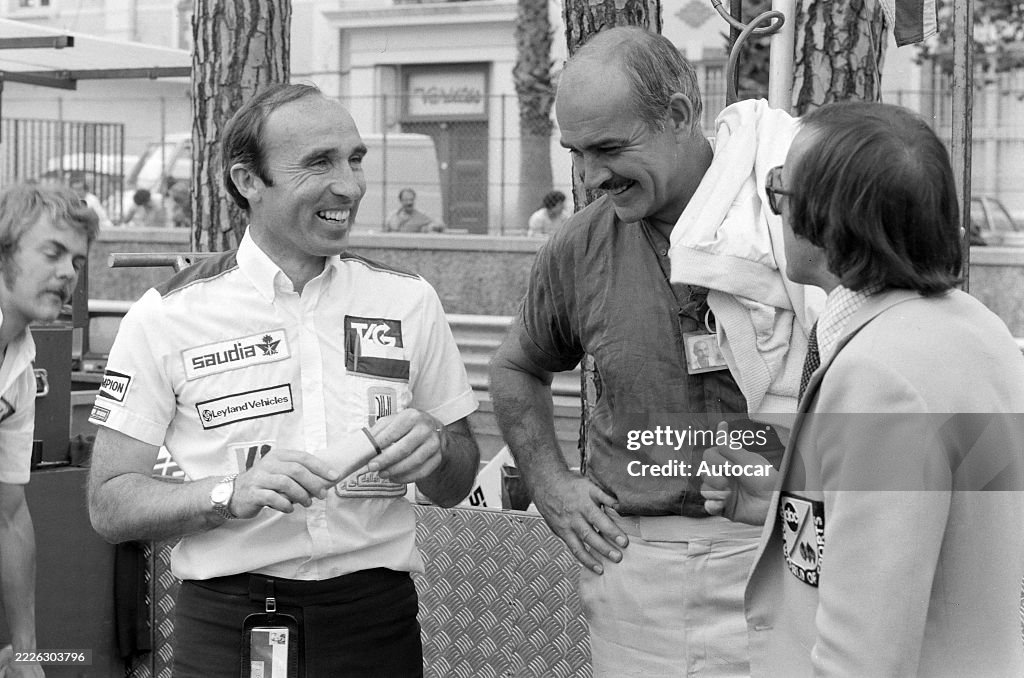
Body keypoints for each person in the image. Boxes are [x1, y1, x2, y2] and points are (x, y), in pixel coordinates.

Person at [87, 83, 480, 677]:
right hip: (226, 628)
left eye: (354, 159)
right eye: (319, 162)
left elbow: (457, 481)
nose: (349, 186)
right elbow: (109, 502)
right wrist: (227, 493)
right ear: (248, 181)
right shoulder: (167, 315)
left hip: (376, 624)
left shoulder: (408, 301)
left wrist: (440, 446)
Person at [488, 26, 806, 677]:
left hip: (790, 557)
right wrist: (551, 485)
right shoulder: (578, 246)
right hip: (639, 577)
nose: (591, 175)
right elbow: (515, 369)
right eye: (575, 152)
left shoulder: (790, 222)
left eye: (608, 148)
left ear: (682, 116)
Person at [702, 102, 1024, 677]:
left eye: (779, 187)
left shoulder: (881, 376)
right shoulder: (977, 330)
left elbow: (865, 658)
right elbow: (939, 534)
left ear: (825, 220)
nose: (771, 206)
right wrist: (789, 505)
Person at [0, 183, 97, 678]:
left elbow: (9, 514)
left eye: (77, 262)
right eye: (52, 252)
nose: (67, 273)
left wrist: (27, 652)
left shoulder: (21, 361)